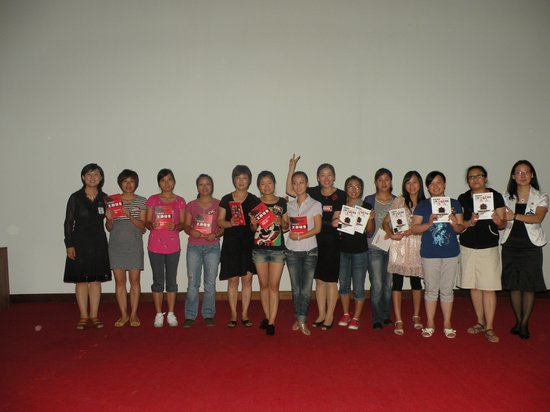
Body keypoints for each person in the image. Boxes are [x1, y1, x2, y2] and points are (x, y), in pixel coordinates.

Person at [286, 155, 345, 330]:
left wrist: (336, 221)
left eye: (329, 175)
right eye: (322, 175)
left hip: (332, 241)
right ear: (317, 178)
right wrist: (292, 167)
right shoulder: (313, 192)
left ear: (334, 177)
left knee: (331, 281)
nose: (326, 178)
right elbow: (290, 190)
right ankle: (320, 314)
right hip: (314, 242)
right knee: (319, 281)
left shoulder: (340, 195)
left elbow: (336, 219)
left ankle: (329, 315)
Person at [411, 171, 465, 339]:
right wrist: (429, 223)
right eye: (432, 183)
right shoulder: (423, 205)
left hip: (450, 253)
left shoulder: (454, 203)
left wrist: (454, 222)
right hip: (429, 253)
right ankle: (430, 323)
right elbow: (414, 228)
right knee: (431, 290)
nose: (435, 186)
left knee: (447, 290)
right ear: (428, 187)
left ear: (445, 184)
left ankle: (447, 323)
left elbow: (460, 228)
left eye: (439, 182)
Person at [457, 166, 506, 343]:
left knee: (488, 287)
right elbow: (460, 224)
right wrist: (469, 222)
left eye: (479, 176)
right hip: (468, 246)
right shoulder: (463, 198)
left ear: (485, 178)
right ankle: (480, 322)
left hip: (488, 247)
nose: (475, 179)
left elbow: (502, 224)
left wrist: (498, 221)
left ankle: (490, 326)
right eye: (471, 177)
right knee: (474, 287)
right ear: (467, 180)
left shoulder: (495, 196)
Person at [501, 160, 548, 340]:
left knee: (528, 286)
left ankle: (524, 324)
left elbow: (537, 218)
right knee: (514, 285)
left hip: (531, 247)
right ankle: (518, 320)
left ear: (532, 175)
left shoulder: (541, 196)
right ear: (513, 176)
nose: (522, 175)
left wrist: (514, 216)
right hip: (510, 245)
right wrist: (498, 220)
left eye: (526, 172)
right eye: (518, 172)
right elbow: (501, 223)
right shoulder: (506, 197)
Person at [63, 163, 111, 330]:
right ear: (83, 177)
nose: (92, 177)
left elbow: (110, 226)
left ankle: (94, 315)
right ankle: (83, 316)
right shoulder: (75, 197)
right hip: (79, 243)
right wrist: (69, 244)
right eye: (88, 174)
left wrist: (110, 218)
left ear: (101, 177)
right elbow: (68, 223)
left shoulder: (106, 198)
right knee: (81, 281)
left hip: (99, 243)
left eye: (96, 174)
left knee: (96, 280)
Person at [382, 171, 426, 335]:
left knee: (416, 283)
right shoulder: (399, 201)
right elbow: (385, 222)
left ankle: (416, 315)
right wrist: (391, 234)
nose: (411, 186)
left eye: (415, 182)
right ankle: (399, 319)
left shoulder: (426, 203)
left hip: (418, 245)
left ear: (420, 184)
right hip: (399, 246)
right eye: (408, 182)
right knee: (397, 283)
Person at [217, 165, 260, 328]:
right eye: (238, 178)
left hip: (248, 245)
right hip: (231, 245)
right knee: (233, 281)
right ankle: (234, 315)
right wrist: (230, 223)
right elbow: (219, 221)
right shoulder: (226, 199)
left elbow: (255, 229)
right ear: (233, 180)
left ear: (249, 180)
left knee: (247, 280)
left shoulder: (255, 200)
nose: (241, 181)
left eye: (244, 178)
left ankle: (245, 314)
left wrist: (254, 223)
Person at [105, 169, 146, 328]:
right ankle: (124, 314)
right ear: (120, 183)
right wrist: (109, 219)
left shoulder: (142, 201)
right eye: (125, 181)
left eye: (132, 181)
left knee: (135, 281)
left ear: (136, 183)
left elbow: (143, 226)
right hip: (116, 245)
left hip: (134, 244)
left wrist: (129, 216)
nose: (128, 184)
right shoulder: (112, 200)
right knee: (120, 282)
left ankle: (134, 314)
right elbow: (109, 228)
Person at [145, 169, 186, 327]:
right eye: (163, 180)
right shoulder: (153, 200)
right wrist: (152, 225)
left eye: (169, 180)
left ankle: (171, 313)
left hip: (173, 246)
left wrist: (175, 226)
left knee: (171, 281)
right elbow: (147, 222)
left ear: (174, 182)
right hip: (155, 246)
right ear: (159, 183)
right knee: (157, 281)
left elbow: (183, 224)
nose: (166, 183)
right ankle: (158, 314)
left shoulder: (180, 201)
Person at [250, 171, 289, 336]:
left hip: (277, 249)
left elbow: (287, 226)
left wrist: (281, 222)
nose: (266, 186)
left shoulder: (282, 202)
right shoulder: (255, 203)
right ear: (259, 186)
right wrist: (253, 223)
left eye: (269, 183)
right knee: (263, 285)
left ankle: (272, 321)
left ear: (274, 184)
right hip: (259, 249)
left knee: (274, 286)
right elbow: (253, 229)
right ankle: (267, 316)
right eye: (263, 183)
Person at [183, 174, 223, 328]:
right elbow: (186, 226)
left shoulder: (219, 204)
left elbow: (222, 227)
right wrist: (191, 231)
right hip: (194, 247)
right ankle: (190, 315)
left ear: (212, 186)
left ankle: (208, 314)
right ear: (197, 187)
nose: (204, 187)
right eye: (201, 184)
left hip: (212, 247)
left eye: (208, 184)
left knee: (210, 283)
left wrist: (216, 234)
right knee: (192, 283)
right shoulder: (191, 205)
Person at [285, 171, 322, 335]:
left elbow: (317, 228)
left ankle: (302, 319)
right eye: (295, 183)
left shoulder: (315, 204)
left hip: (310, 251)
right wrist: (282, 223)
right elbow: (286, 226)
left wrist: (300, 236)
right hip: (291, 250)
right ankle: (298, 317)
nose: (298, 185)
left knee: (306, 289)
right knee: (295, 289)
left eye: (301, 182)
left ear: (307, 184)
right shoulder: (289, 205)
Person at [337, 176, 375, 331]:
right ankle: (346, 313)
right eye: (350, 186)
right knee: (344, 285)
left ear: (361, 189)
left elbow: (370, 232)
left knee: (359, 287)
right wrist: (336, 221)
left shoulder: (366, 206)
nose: (354, 189)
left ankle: (356, 317)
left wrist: (370, 219)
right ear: (346, 188)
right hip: (342, 251)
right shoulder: (341, 206)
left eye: (357, 186)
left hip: (360, 252)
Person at [364, 168, 395, 330]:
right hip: (374, 247)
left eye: (387, 179)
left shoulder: (398, 201)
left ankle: (386, 315)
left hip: (392, 248)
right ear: (375, 182)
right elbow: (366, 229)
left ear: (391, 182)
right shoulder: (369, 200)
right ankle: (376, 317)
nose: (383, 183)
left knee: (388, 284)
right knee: (377, 284)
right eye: (380, 180)